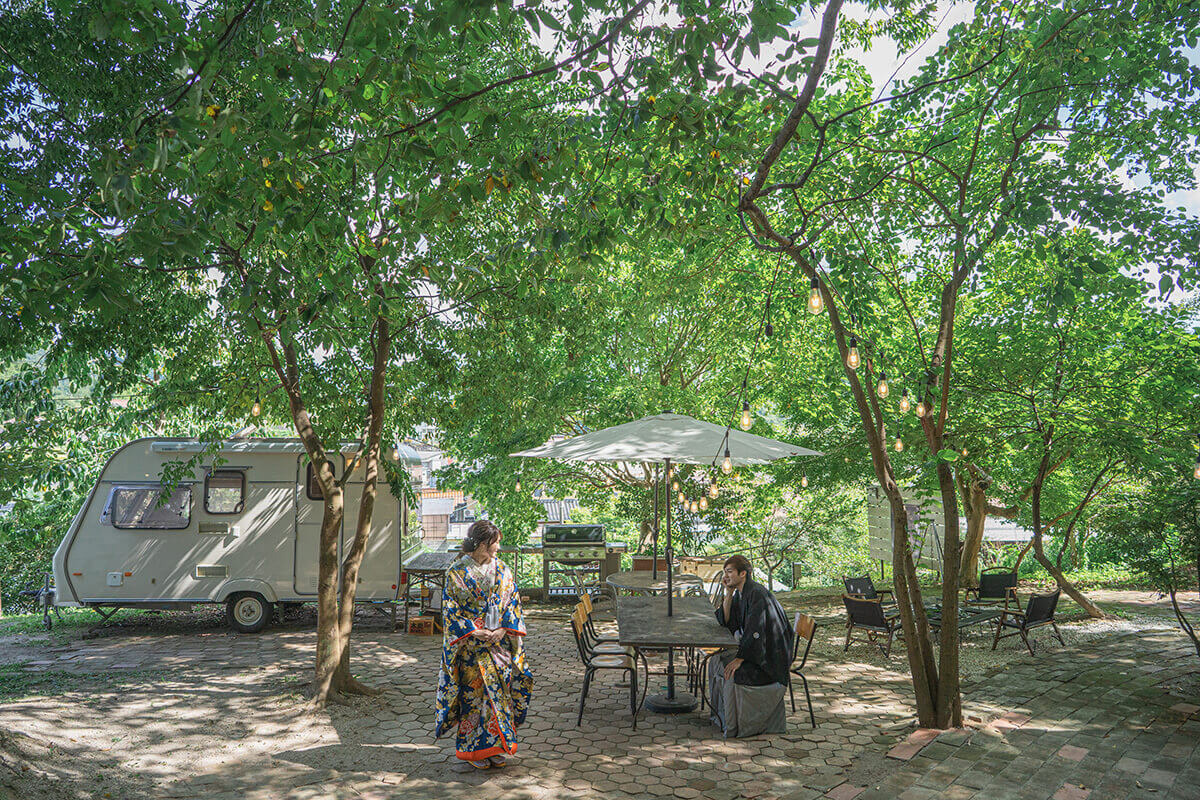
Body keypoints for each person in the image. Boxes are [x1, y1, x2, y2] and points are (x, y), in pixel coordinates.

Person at [435, 520, 533, 769]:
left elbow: (513, 604)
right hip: (471, 647)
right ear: (482, 544)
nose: (498, 547)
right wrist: (474, 630)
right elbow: (450, 610)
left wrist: (502, 629)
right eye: (495, 542)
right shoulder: (456, 572)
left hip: (499, 646)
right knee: (473, 697)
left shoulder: (503, 571)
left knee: (500, 696)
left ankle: (497, 746)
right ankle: (474, 751)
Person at [708, 554, 792, 737]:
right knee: (716, 660)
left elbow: (756, 631)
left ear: (743, 573)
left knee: (731, 670)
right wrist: (728, 593)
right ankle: (721, 717)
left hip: (770, 659)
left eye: (729, 572)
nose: (726, 576)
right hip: (758, 651)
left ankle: (733, 727)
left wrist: (740, 659)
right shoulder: (741, 593)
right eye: (724, 572)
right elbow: (727, 621)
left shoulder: (756, 594)